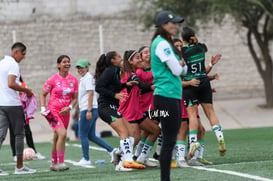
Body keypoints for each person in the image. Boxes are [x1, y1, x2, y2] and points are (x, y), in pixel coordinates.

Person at [151, 10, 187, 181]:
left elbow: (182, 68)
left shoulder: (165, 43)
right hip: (167, 96)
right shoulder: (162, 44)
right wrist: (180, 65)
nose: (176, 26)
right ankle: (165, 179)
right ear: (164, 25)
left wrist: (180, 65)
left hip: (167, 96)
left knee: (168, 139)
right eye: (173, 23)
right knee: (169, 140)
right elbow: (178, 69)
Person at [95, 51, 145, 171]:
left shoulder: (116, 71)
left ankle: (119, 156)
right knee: (124, 132)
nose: (121, 58)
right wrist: (114, 95)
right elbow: (98, 87)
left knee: (130, 132)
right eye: (118, 57)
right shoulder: (110, 71)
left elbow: (117, 86)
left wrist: (127, 85)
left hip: (112, 107)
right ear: (113, 60)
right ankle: (126, 161)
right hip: (105, 107)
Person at [181, 26, 226, 160]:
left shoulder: (182, 51)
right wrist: (211, 65)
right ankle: (220, 137)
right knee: (211, 112)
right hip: (204, 81)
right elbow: (199, 44)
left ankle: (193, 141)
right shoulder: (202, 47)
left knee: (192, 114)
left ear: (183, 39)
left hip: (191, 83)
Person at [119, 50, 160, 167]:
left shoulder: (132, 73)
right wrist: (152, 87)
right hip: (129, 112)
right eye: (137, 58)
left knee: (155, 130)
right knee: (135, 137)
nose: (140, 60)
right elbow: (139, 84)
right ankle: (121, 158)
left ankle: (142, 157)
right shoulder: (128, 74)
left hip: (137, 112)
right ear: (130, 61)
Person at [0, 42, 36, 175]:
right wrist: (26, 90)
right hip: (13, 105)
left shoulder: (2, 63)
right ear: (16, 52)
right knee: (19, 135)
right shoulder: (13, 64)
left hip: (1, 104)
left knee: (1, 135)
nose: (24, 57)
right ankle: (19, 167)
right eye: (23, 54)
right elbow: (11, 83)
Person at [40, 55, 78, 171]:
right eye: (64, 62)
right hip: (53, 111)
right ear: (58, 65)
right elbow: (43, 94)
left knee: (57, 136)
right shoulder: (52, 79)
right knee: (63, 134)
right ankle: (60, 163)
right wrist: (42, 108)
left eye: (68, 62)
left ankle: (53, 163)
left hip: (65, 113)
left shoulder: (74, 80)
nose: (67, 64)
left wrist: (70, 107)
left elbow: (75, 98)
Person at [75, 59, 115, 166]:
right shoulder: (85, 78)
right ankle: (112, 150)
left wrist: (88, 110)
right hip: (91, 109)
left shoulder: (87, 78)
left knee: (82, 135)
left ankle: (86, 159)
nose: (80, 70)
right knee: (91, 136)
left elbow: (91, 94)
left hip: (89, 109)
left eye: (82, 67)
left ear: (87, 68)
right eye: (78, 68)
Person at [10, 76, 46, 162]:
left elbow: (26, 97)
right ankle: (15, 154)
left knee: (28, 132)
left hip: (22, 112)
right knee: (13, 133)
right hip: (11, 111)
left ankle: (34, 152)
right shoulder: (8, 85)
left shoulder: (22, 85)